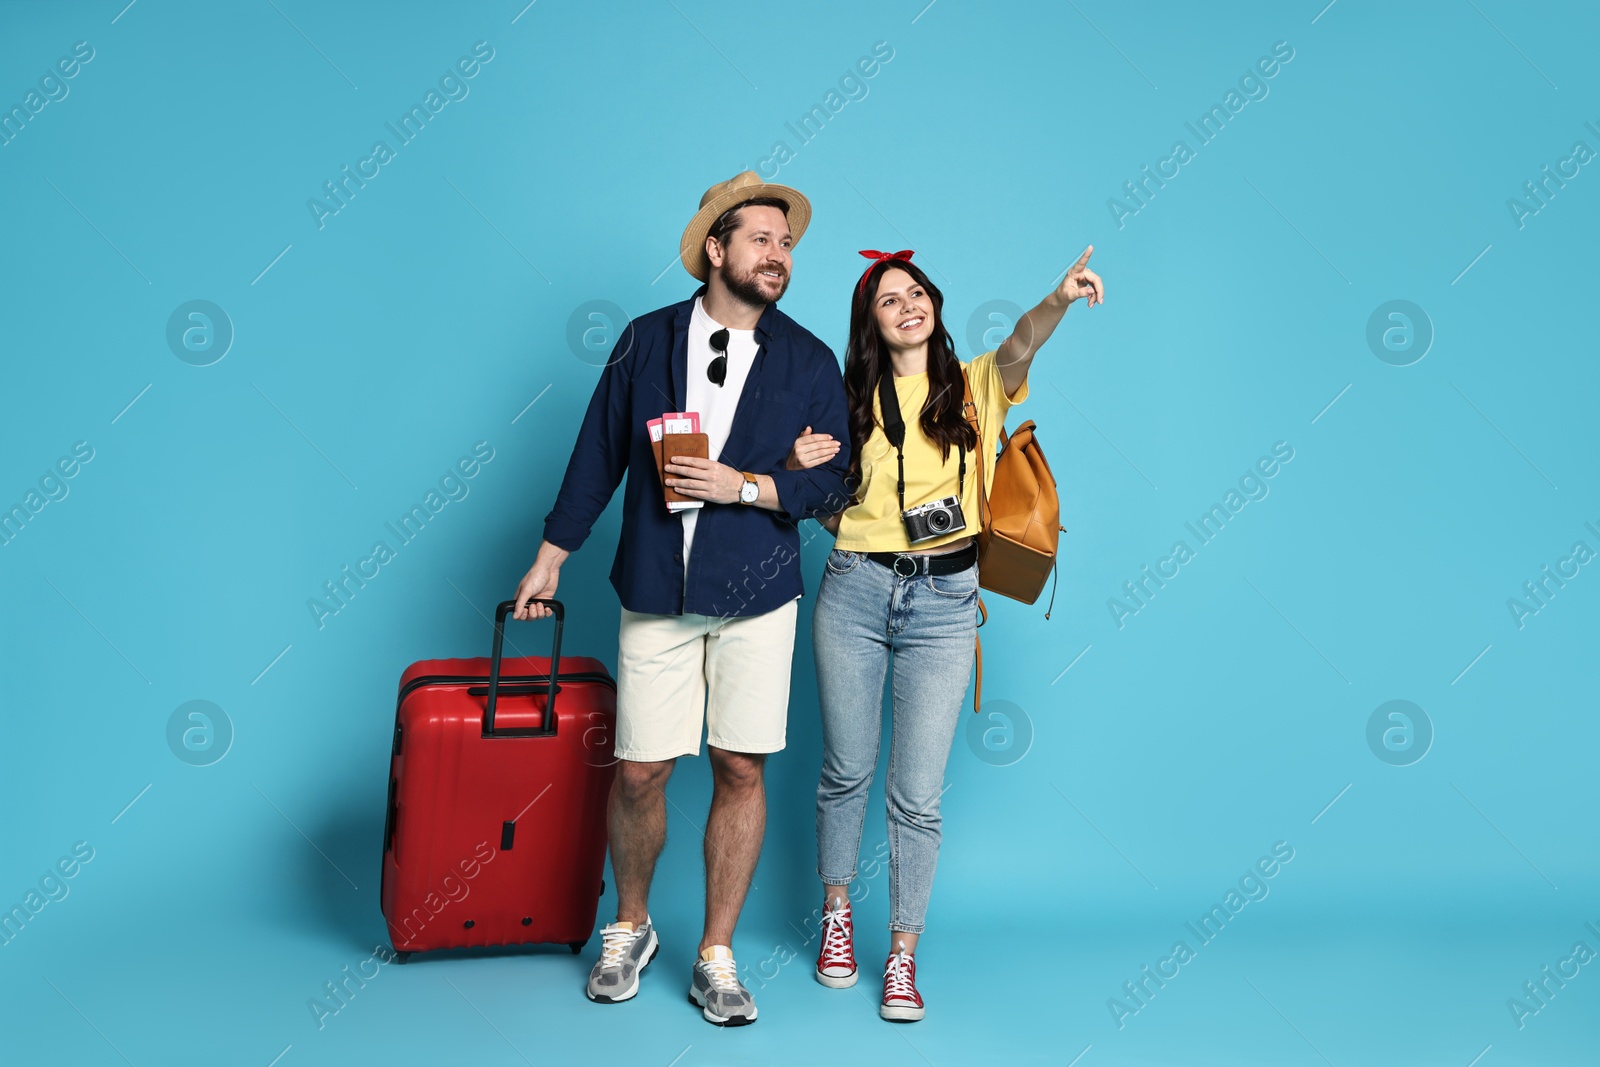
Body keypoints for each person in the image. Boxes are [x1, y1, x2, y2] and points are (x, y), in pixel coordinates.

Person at [512, 172, 852, 1026]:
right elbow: (598, 455)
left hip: (760, 594)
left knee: (741, 765)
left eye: (786, 245)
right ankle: (630, 926)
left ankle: (717, 952)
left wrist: (752, 485)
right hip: (656, 587)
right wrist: (552, 556)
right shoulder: (644, 341)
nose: (778, 256)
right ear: (716, 248)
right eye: (762, 240)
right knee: (639, 772)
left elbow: (835, 480)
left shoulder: (810, 359)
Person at [789, 245, 1104, 1021]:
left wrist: (1058, 297)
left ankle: (901, 955)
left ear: (934, 304)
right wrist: (832, 509)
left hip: (945, 601)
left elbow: (1022, 341)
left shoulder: (973, 387)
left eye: (917, 292)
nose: (908, 304)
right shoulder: (848, 397)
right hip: (857, 591)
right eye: (889, 298)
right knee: (845, 770)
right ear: (871, 321)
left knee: (917, 794)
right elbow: (812, 488)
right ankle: (836, 916)